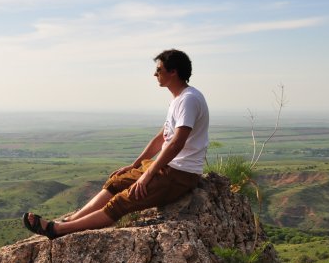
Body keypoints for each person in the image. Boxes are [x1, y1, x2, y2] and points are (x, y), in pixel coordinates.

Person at [24, 49, 209, 239]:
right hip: (167, 168)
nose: (155, 74)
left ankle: (56, 230)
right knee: (116, 182)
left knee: (122, 201)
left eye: (159, 69)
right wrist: (136, 165)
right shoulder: (178, 99)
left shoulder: (189, 99)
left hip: (179, 174)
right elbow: (163, 137)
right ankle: (72, 220)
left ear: (173, 72)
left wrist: (147, 176)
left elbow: (176, 143)